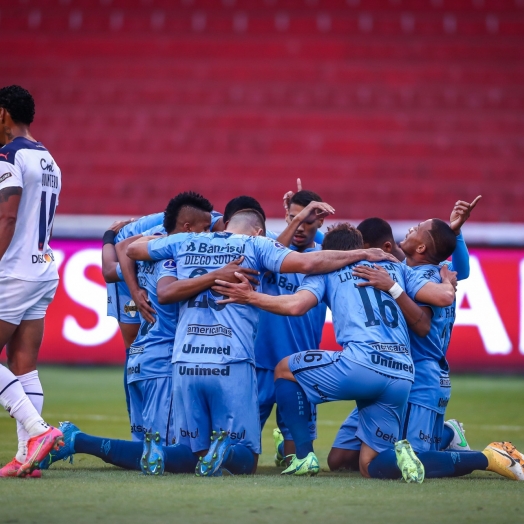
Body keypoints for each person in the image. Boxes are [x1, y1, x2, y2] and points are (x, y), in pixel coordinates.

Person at [126, 210, 400, 476]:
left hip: (187, 359)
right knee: (247, 456)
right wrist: (364, 253)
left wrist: (143, 247)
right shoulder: (257, 244)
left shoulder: (186, 240)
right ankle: (243, 453)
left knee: (191, 452)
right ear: (260, 232)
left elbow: (132, 249)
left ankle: (159, 451)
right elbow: (307, 265)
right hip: (234, 361)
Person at [212, 223, 458, 477]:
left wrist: (250, 297)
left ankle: (304, 456)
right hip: (403, 373)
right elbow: (442, 296)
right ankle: (481, 459)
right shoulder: (397, 268)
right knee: (370, 465)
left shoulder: (327, 270)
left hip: (363, 363)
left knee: (285, 369)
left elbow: (296, 306)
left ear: (329, 253)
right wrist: (447, 281)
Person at [328, 201, 477, 472]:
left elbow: (422, 325)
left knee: (412, 461)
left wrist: (392, 287)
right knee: (340, 461)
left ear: (421, 248)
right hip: (391, 370)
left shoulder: (419, 278)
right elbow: (461, 272)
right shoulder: (431, 271)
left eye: (417, 229)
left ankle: (472, 449)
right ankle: (443, 436)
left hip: (422, 374)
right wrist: (455, 231)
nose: (410, 228)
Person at [0, 85, 64, 478]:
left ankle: (39, 432)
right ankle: (27, 458)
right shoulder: (49, 159)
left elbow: (7, 216)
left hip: (13, 270)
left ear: (3, 114)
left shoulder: (8, 156)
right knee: (23, 365)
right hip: (42, 268)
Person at [255, 190, 334, 465]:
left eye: (308, 222)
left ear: (320, 223)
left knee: (298, 460)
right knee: (242, 461)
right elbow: (272, 253)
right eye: (293, 219)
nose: (300, 227)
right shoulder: (265, 246)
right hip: (259, 364)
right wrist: (300, 215)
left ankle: (284, 449)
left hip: (299, 367)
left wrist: (308, 216)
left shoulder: (325, 262)